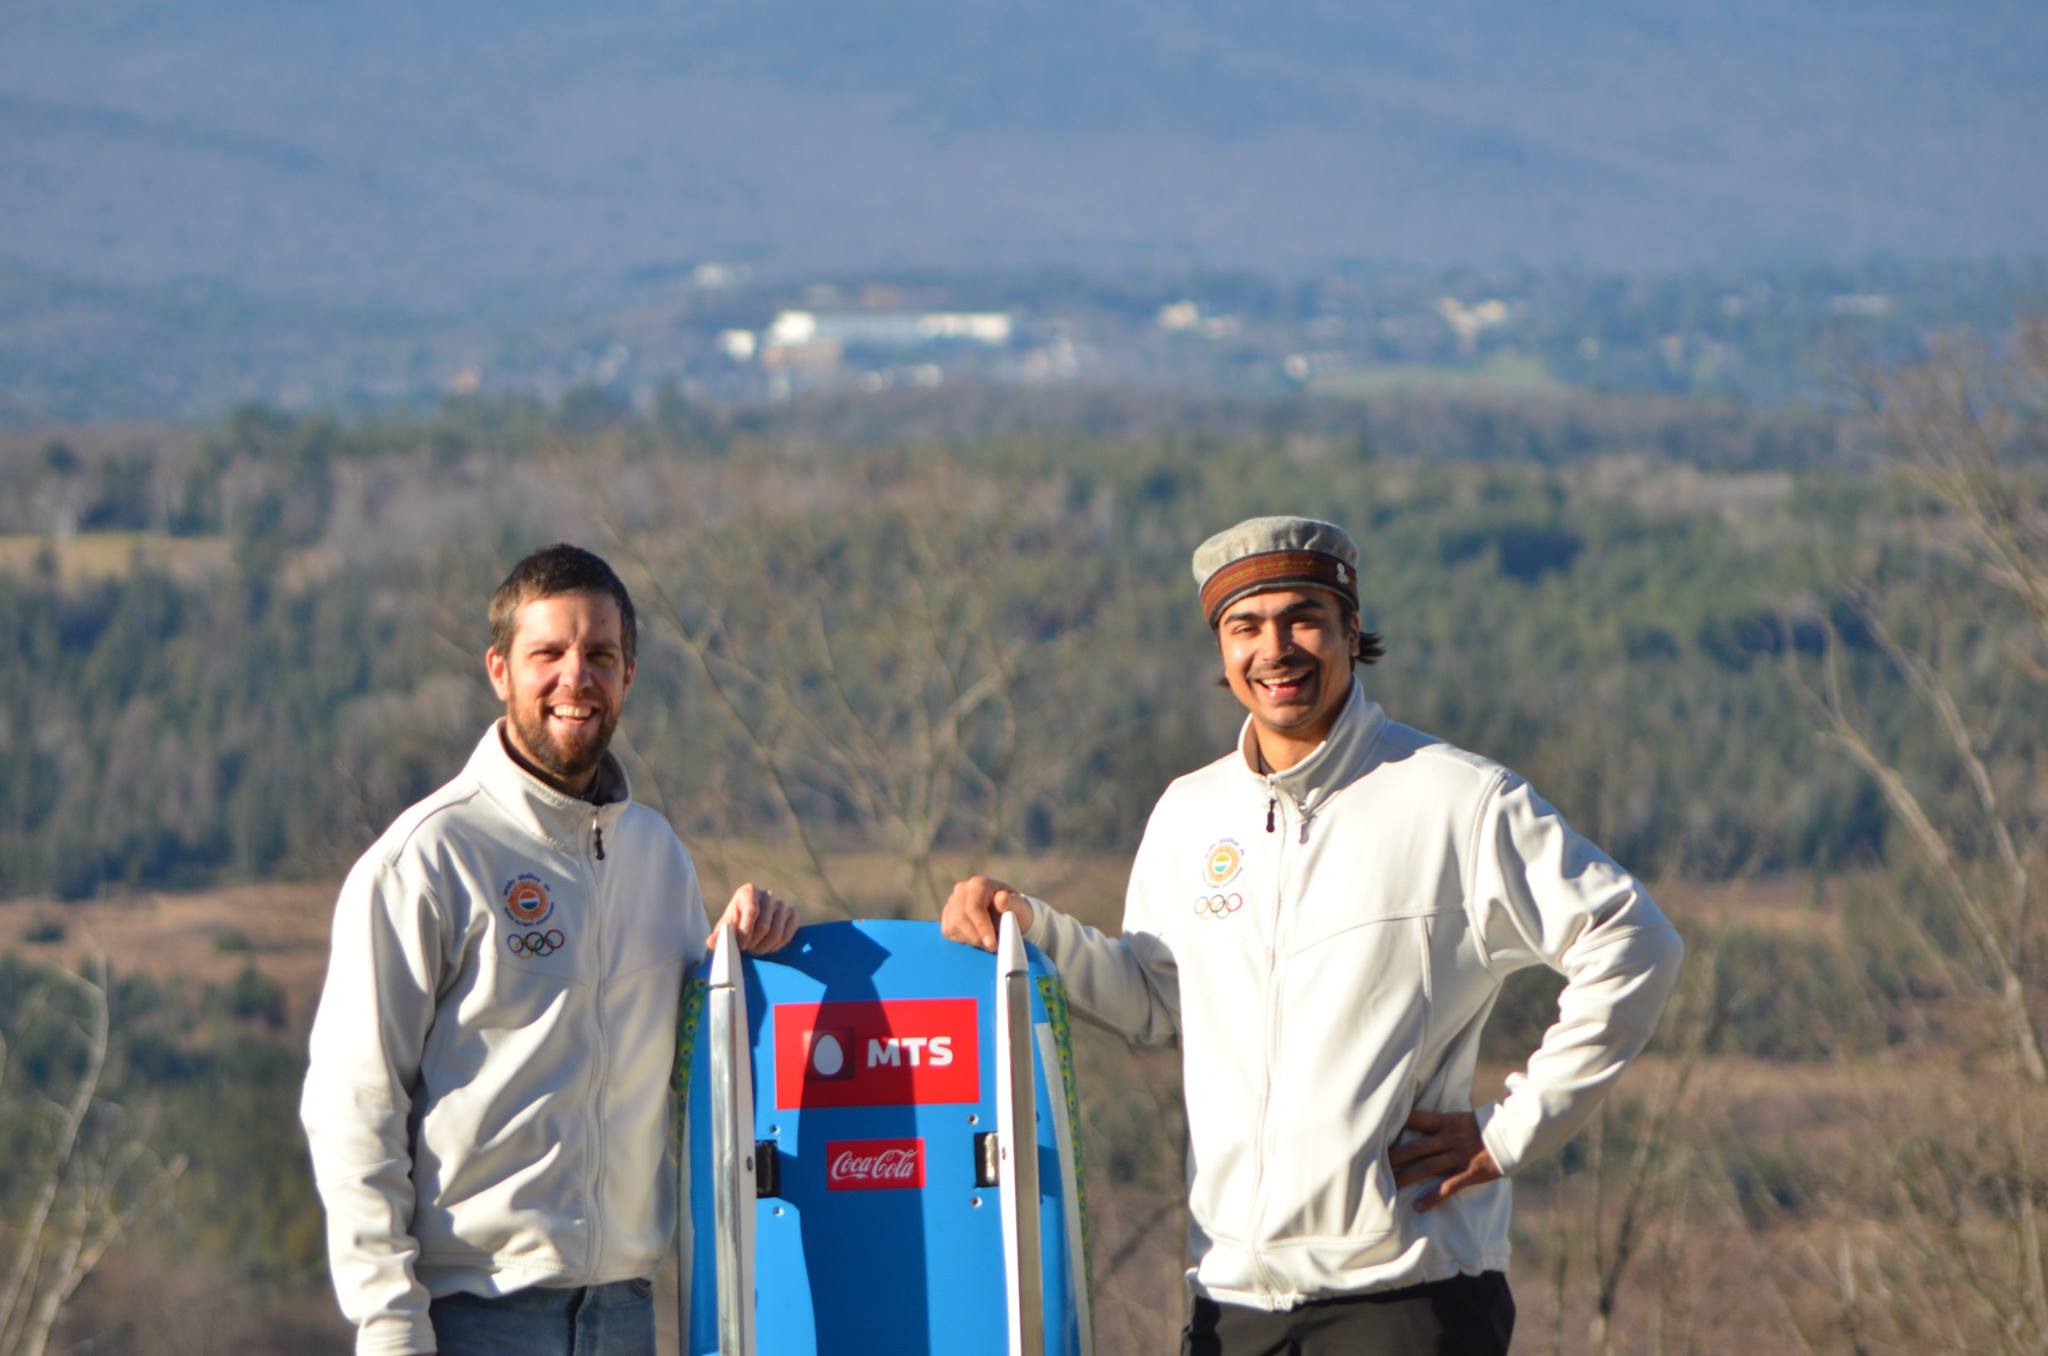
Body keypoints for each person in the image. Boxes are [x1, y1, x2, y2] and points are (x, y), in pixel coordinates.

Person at [943, 515, 1685, 1355]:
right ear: (1221, 651)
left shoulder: (1457, 801)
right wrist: (1028, 929)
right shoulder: (1190, 813)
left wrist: (1510, 1130)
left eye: (1302, 618)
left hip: (1407, 1300)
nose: (1276, 649)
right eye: (1245, 626)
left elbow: (1633, 939)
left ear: (1348, 629)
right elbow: (1154, 1000)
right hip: (1228, 1301)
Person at [301, 544, 797, 1356]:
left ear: (629, 675)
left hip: (626, 1316)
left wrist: (740, 954)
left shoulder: (657, 856)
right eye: (549, 654)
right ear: (499, 669)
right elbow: (354, 1104)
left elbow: (685, 1068)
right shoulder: (428, 858)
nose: (577, 678)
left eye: (600, 656)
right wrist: (390, 1325)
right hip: (470, 1317)